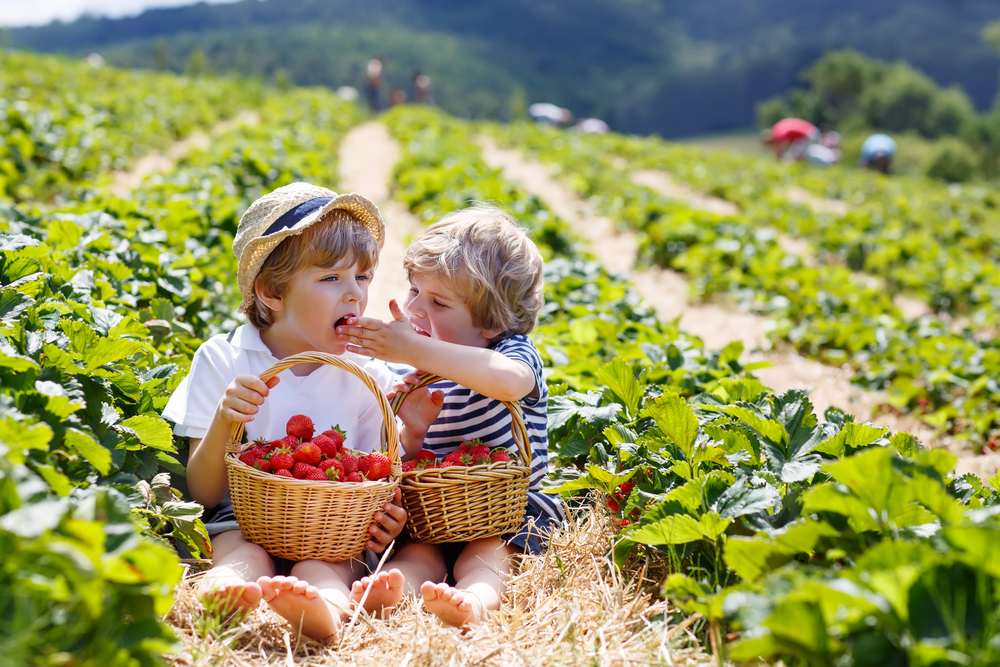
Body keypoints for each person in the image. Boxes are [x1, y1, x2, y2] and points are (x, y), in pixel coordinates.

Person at [162, 183, 439, 640]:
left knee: (325, 568)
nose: (354, 295)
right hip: (244, 521)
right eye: (331, 278)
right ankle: (221, 593)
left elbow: (376, 476)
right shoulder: (224, 360)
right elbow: (204, 494)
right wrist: (225, 422)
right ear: (272, 291)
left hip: (334, 532)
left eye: (362, 277)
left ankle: (324, 611)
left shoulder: (366, 374)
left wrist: (389, 513)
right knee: (240, 553)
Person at [336, 204, 566, 628]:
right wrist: (414, 433)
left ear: (493, 322)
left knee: (489, 554)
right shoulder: (414, 375)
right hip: (435, 517)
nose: (417, 309)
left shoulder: (510, 354)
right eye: (414, 291)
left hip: (506, 513)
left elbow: (510, 382)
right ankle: (394, 593)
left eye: (439, 302)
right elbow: (408, 460)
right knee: (416, 554)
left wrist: (414, 350)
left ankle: (475, 600)